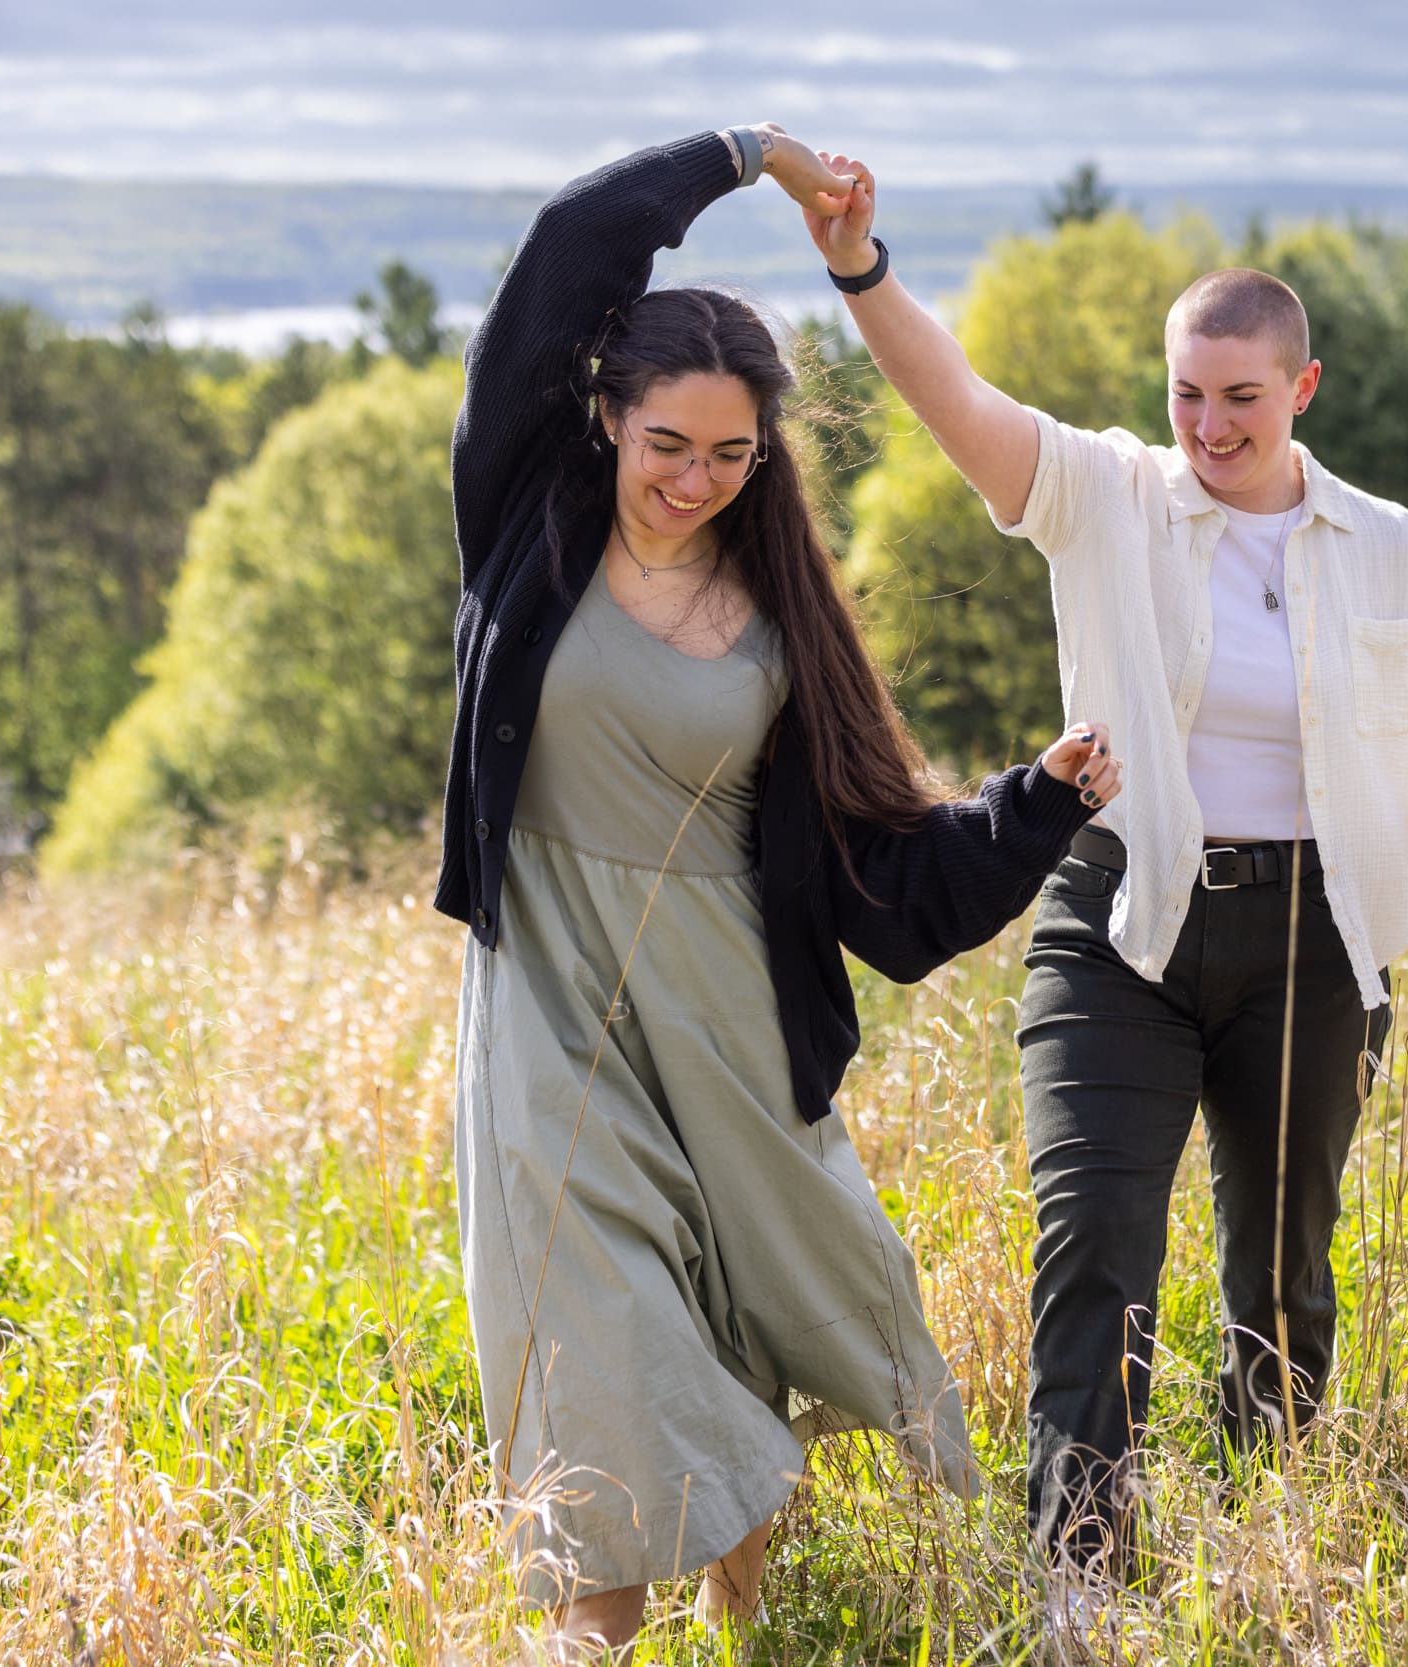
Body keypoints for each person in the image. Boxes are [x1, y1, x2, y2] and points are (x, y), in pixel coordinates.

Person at [800, 156, 1408, 1580]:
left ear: (1304, 387)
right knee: (1095, 1242)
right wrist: (862, 268)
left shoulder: (1389, 547)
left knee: (1279, 1276)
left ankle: (1265, 1544)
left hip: (1317, 943)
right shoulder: (1106, 497)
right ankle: (1081, 1576)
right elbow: (955, 401)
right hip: (1124, 927)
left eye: (1241, 395)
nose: (1210, 425)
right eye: (1187, 393)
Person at [432, 124, 1123, 1657]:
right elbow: (562, 261)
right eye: (666, 444)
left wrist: (1041, 798)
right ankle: (590, 1640)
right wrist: (746, 155)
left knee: (749, 1321)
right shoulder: (525, 529)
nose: (692, 481)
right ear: (605, 419)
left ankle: (754, 1627)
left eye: (731, 455)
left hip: (733, 1025)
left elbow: (886, 880)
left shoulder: (778, 621)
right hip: (546, 1014)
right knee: (596, 1342)